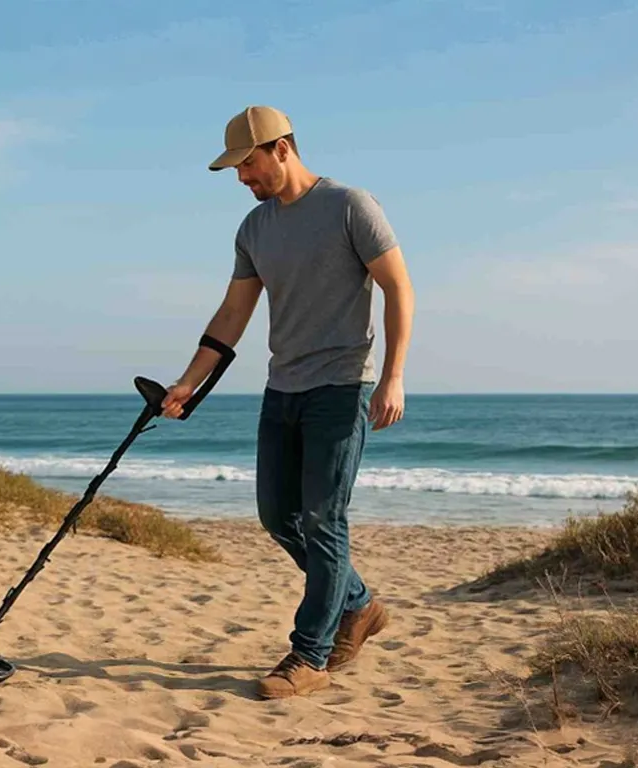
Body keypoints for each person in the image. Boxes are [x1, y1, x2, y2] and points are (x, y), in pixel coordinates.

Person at [160, 105, 415, 699]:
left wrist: (394, 376)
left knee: (326, 520)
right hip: (283, 389)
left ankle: (309, 657)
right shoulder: (254, 230)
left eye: (247, 165)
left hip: (341, 384)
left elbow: (398, 287)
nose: (242, 179)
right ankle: (359, 605)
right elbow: (232, 316)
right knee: (278, 515)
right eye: (236, 171)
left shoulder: (350, 206)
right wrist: (187, 381)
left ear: (282, 147)